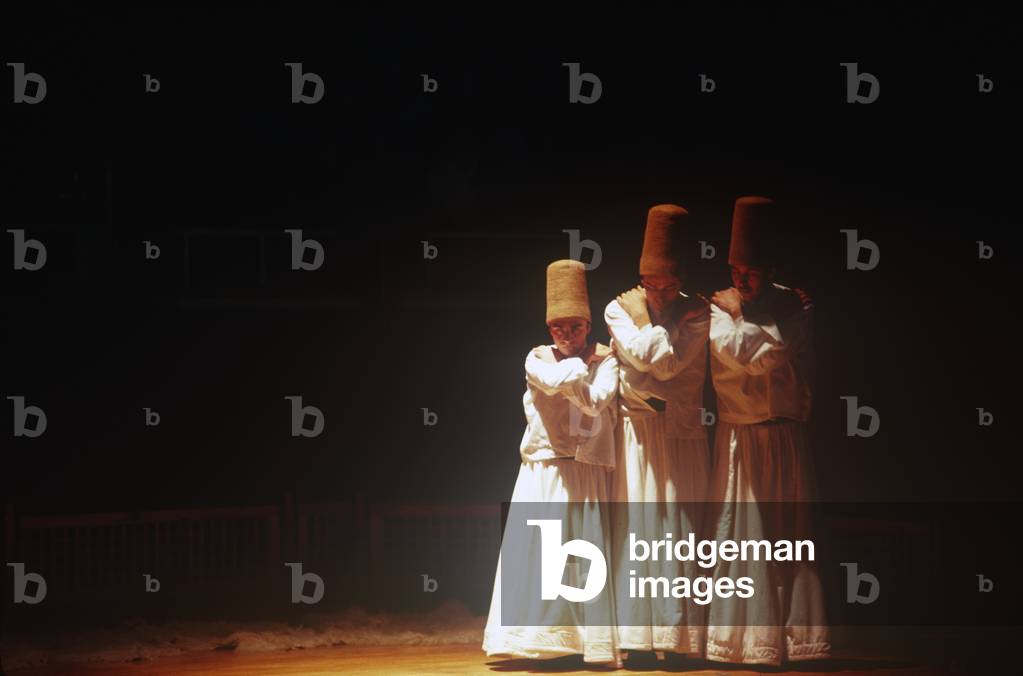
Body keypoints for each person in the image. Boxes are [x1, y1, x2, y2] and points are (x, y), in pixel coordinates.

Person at [704, 195, 830, 666]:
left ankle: (793, 641)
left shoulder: (795, 306)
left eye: (751, 271)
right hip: (741, 437)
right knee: (743, 537)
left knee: (787, 536)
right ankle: (738, 642)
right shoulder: (719, 308)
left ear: (769, 268)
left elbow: (774, 353)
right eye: (736, 269)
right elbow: (735, 353)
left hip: (784, 436)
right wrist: (750, 323)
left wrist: (761, 327)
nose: (741, 279)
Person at [482, 259, 622, 667]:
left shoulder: (607, 360)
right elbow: (550, 381)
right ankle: (538, 639)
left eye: (575, 326)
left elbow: (597, 403)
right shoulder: (537, 356)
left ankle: (583, 641)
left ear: (587, 325)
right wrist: (579, 369)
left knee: (582, 555)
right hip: (545, 468)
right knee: (542, 552)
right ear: (549, 329)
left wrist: (579, 372)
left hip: (585, 470)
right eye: (559, 327)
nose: (567, 335)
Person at [604, 204, 711, 661]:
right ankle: (638, 640)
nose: (664, 295)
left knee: (680, 531)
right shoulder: (618, 307)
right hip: (638, 434)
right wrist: (661, 328)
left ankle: (681, 640)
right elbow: (650, 358)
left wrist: (651, 339)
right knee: (637, 529)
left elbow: (664, 365)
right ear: (641, 280)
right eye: (655, 286)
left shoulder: (700, 312)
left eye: (672, 287)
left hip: (682, 432)